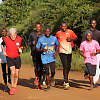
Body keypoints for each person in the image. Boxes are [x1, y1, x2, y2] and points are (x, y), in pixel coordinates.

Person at [1, 28, 23, 95]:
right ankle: (12, 87)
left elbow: (22, 45)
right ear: (9, 35)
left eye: (14, 35)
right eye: (11, 35)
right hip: (10, 58)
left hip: (17, 58)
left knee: (17, 73)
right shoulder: (6, 40)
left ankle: (15, 87)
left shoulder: (19, 39)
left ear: (16, 34)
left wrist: (21, 49)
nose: (13, 37)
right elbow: (2, 45)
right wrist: (4, 51)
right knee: (12, 72)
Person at [55, 22, 77, 89]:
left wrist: (71, 39)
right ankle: (66, 82)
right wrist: (55, 51)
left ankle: (65, 78)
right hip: (62, 52)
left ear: (66, 26)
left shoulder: (70, 32)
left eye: (65, 26)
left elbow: (76, 37)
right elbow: (55, 40)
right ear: (60, 27)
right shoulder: (58, 33)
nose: (64, 28)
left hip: (69, 51)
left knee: (68, 66)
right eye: (63, 26)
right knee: (65, 66)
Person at [36, 26, 59, 91]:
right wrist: (42, 50)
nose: (47, 32)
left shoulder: (54, 38)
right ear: (44, 32)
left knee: (53, 71)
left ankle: (52, 77)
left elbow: (57, 45)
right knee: (47, 72)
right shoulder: (41, 39)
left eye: (48, 31)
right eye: (46, 31)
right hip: (44, 58)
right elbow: (37, 48)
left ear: (50, 31)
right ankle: (48, 86)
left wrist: (55, 53)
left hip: (52, 57)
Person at [82, 19, 100, 87]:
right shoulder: (86, 32)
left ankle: (93, 79)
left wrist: (97, 51)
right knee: (90, 66)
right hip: (88, 54)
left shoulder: (98, 33)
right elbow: (83, 43)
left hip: (96, 53)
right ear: (90, 24)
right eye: (92, 23)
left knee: (96, 67)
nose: (94, 25)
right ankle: (93, 80)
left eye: (95, 23)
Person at [27, 23, 45, 89]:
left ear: (41, 27)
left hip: (42, 53)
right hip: (34, 53)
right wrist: (31, 43)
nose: (37, 28)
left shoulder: (43, 35)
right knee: (36, 67)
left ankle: (40, 81)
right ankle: (36, 77)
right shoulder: (32, 34)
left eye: (39, 27)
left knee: (42, 69)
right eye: (36, 27)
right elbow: (28, 42)